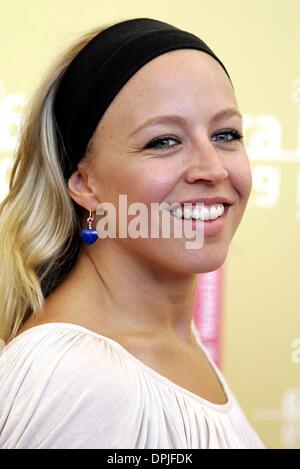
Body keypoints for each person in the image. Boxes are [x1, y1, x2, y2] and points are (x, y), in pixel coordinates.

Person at [0, 17, 265, 449]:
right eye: (163, 141)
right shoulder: (77, 377)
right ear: (84, 182)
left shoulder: (167, 340)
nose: (213, 168)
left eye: (225, 134)